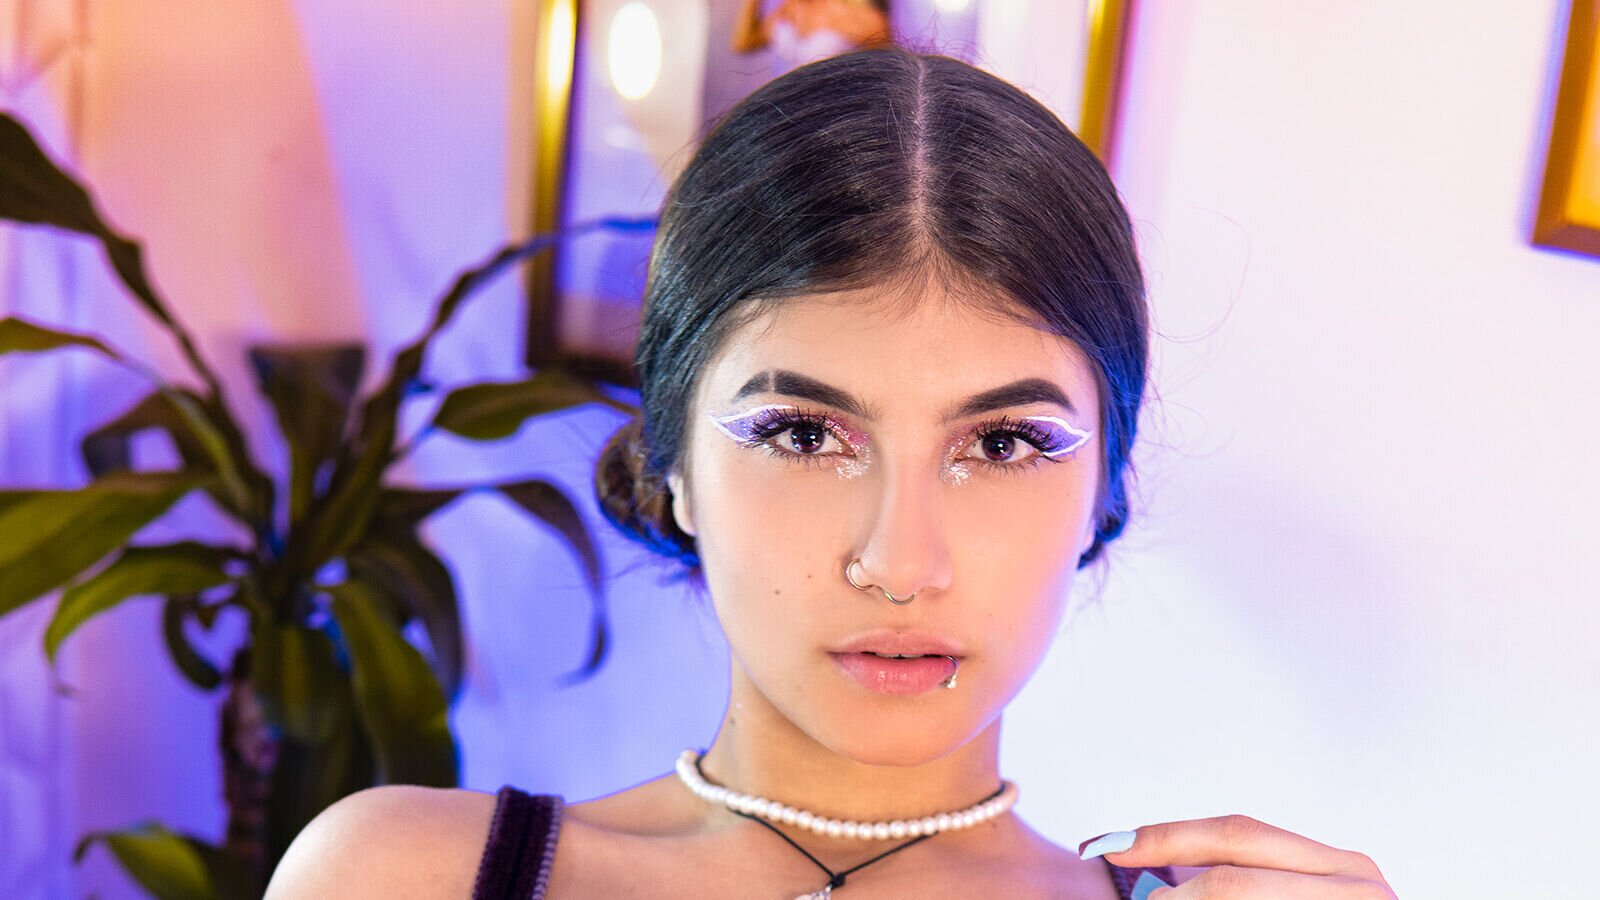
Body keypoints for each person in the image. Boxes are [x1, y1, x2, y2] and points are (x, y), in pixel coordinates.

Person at [265, 48, 1396, 899]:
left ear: (1103, 485)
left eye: (1003, 444)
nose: (899, 564)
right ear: (672, 464)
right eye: (805, 435)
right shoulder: (401, 877)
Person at [731, 0, 892, 70]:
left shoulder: (850, 15)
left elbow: (888, 62)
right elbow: (744, 44)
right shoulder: (786, 12)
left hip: (832, 110)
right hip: (790, 107)